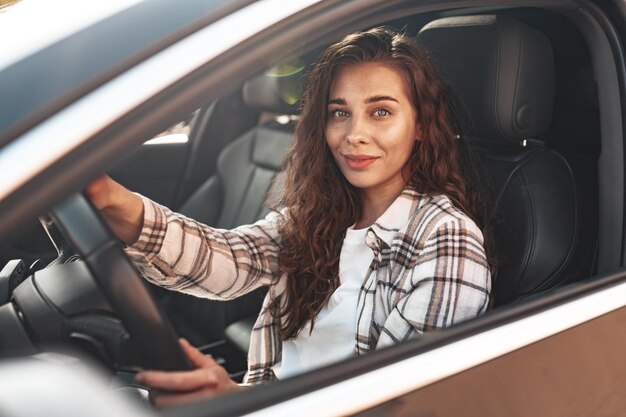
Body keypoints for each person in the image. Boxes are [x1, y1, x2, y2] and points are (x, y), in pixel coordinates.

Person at [87, 27, 491, 407]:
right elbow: (224, 259)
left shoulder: (448, 240)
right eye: (339, 112)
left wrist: (234, 401)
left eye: (381, 112)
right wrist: (112, 200)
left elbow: (394, 404)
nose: (354, 134)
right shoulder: (320, 214)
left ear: (420, 125)